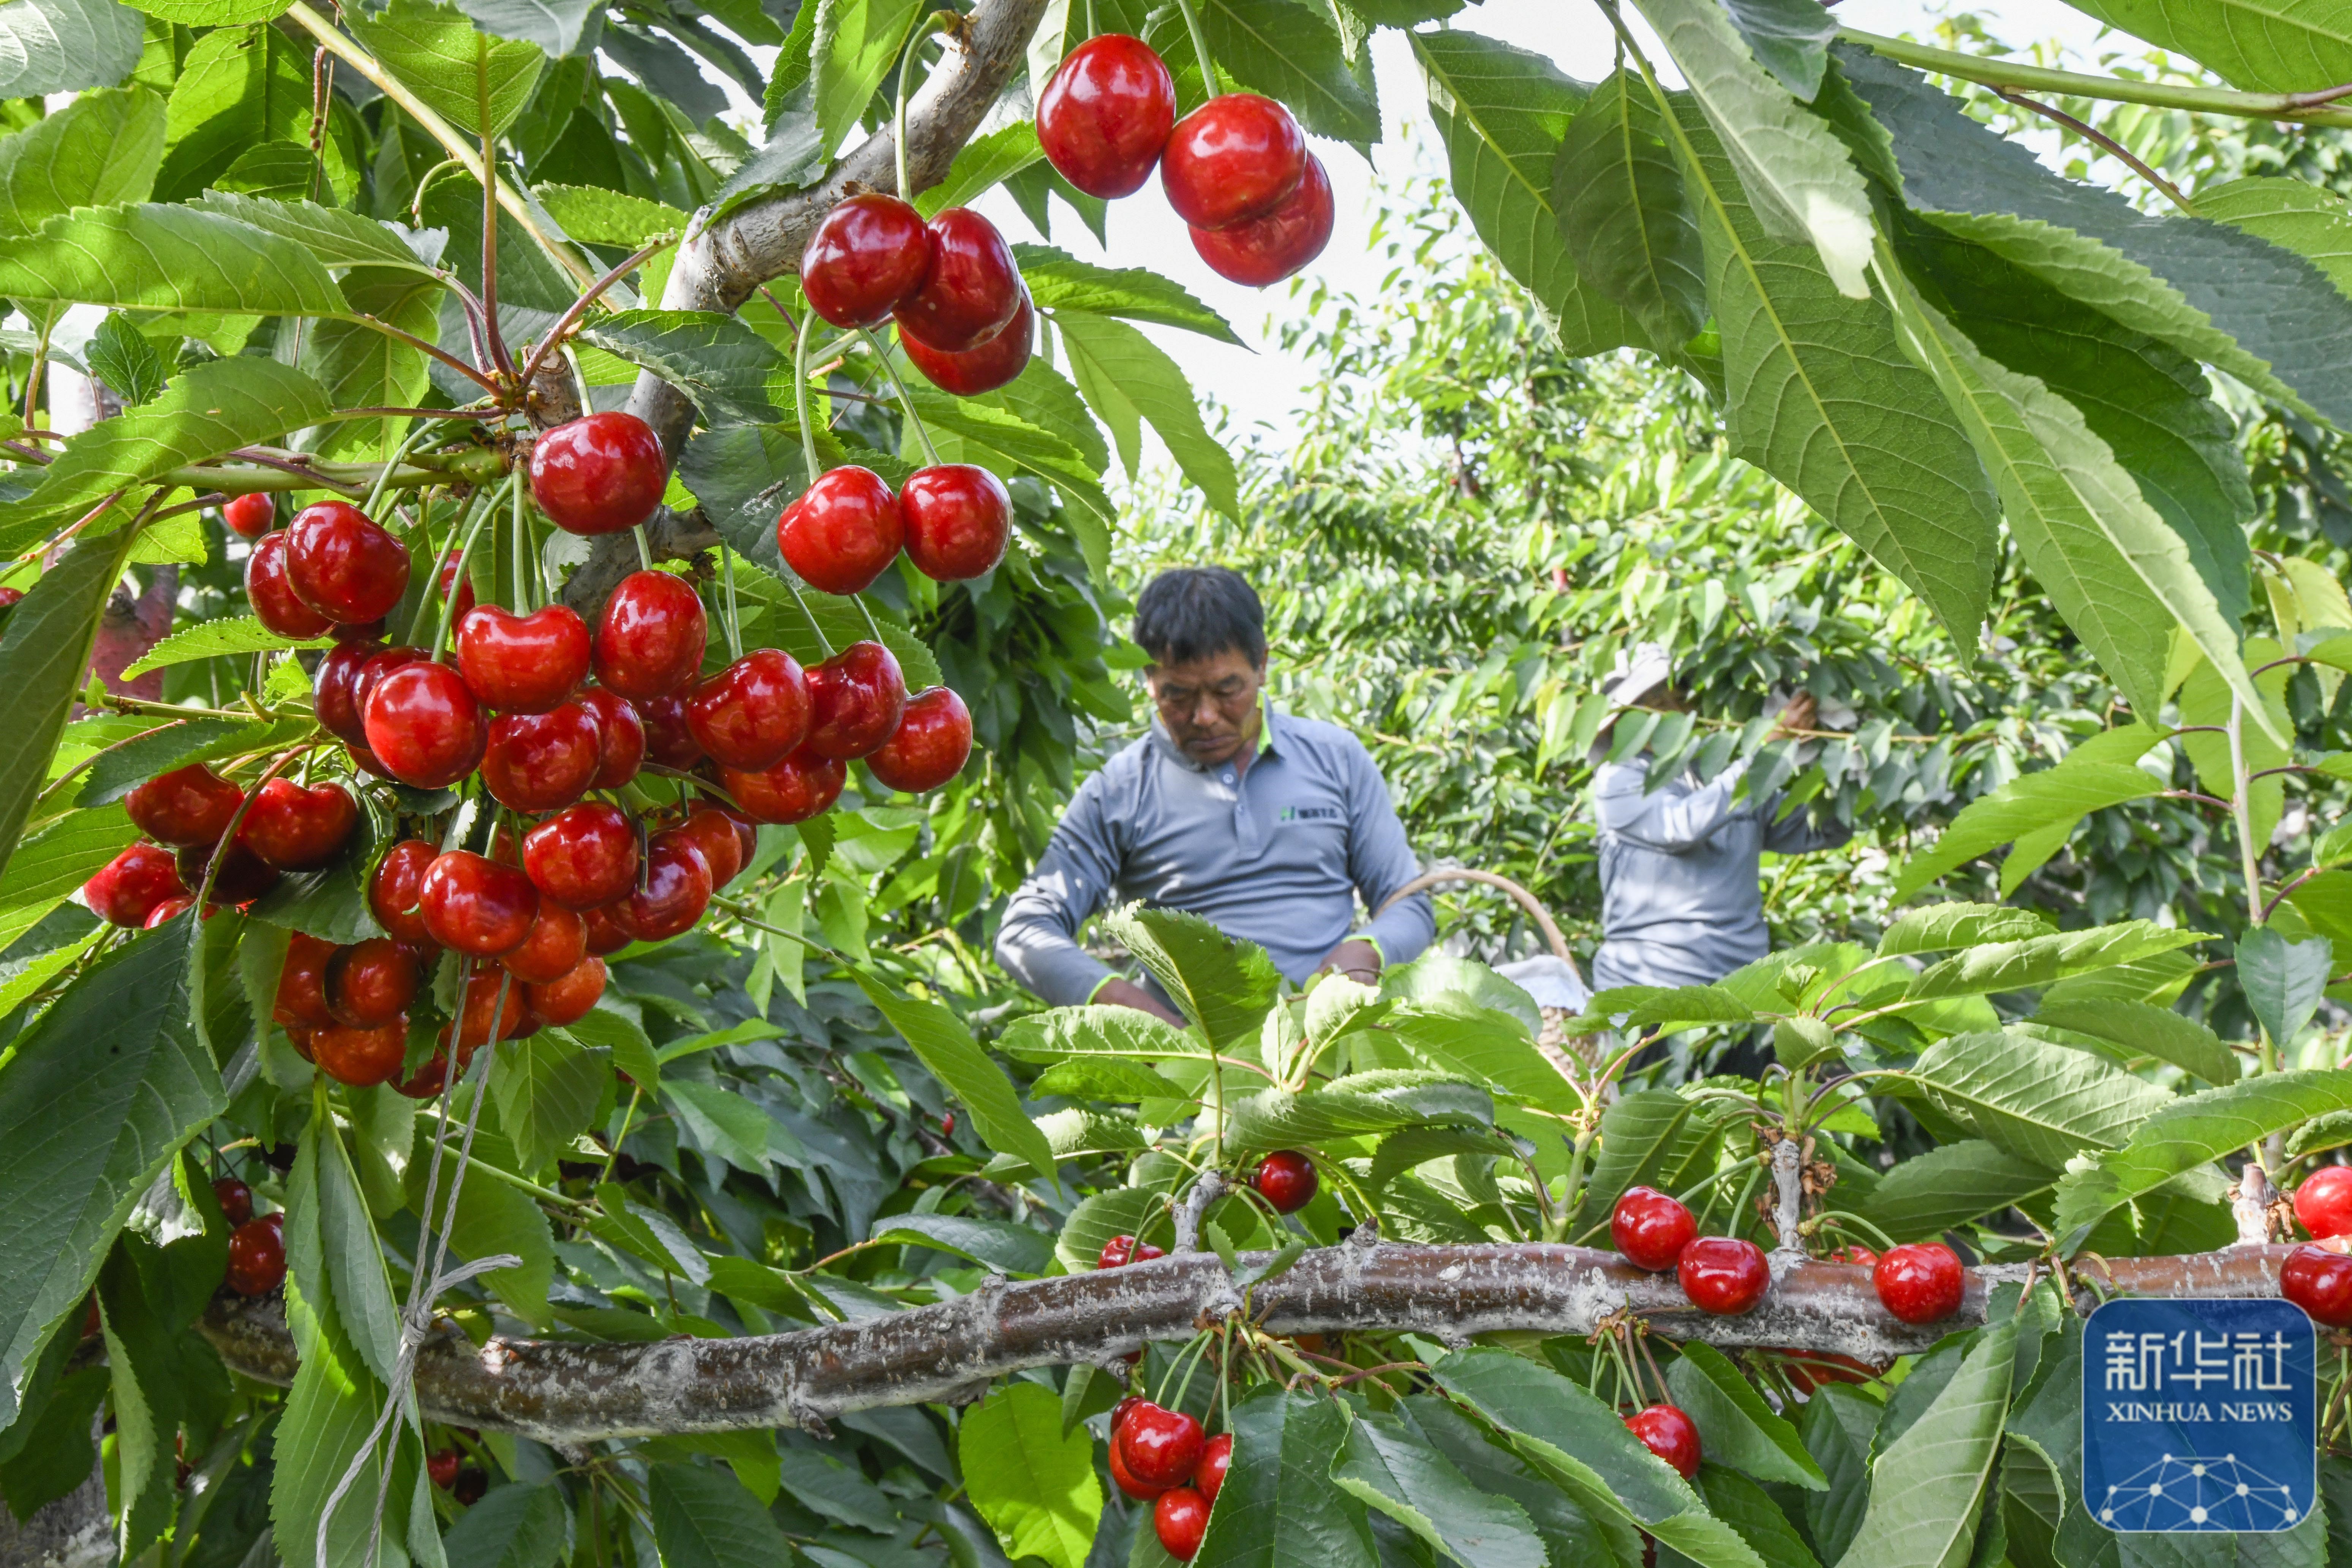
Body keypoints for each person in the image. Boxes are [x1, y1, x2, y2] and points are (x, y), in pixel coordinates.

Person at [996, 567, 1435, 1026]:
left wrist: (1365, 954)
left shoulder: (1338, 760)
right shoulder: (1119, 791)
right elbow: (1023, 930)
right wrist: (1131, 1012)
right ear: (1148, 680)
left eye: (1228, 690)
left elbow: (1409, 903)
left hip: (1328, 1046)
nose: (1205, 717)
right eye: (1178, 696)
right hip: (1197, 1075)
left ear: (1262, 666)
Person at [1590, 643, 1851, 993]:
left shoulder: (1723, 773)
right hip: (1650, 991)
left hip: (1740, 993)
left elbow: (1823, 830)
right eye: (1652, 704)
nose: (1671, 709)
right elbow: (1681, 826)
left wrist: (1836, 758)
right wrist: (1768, 749)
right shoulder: (1618, 779)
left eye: (1678, 695)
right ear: (1623, 722)